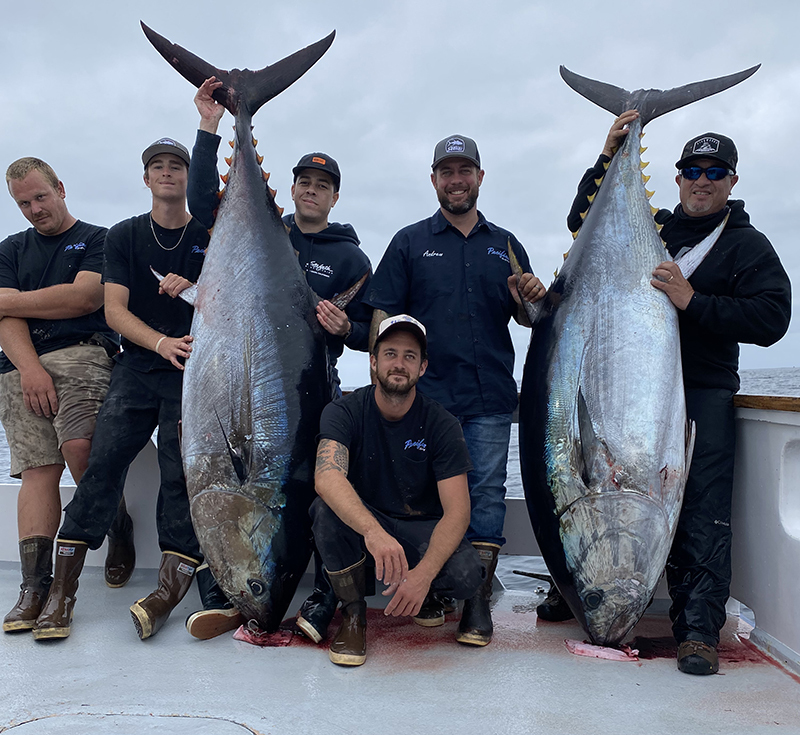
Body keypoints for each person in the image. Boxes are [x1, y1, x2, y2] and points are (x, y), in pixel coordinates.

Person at [561, 112, 791, 675]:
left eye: (715, 171)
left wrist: (694, 302)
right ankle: (582, 590)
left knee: (704, 515)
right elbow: (578, 223)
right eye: (691, 169)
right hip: (631, 398)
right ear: (678, 176)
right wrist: (609, 151)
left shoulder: (746, 245)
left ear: (732, 181)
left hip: (703, 393)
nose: (701, 180)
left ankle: (696, 630)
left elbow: (774, 317)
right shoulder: (654, 225)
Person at [187, 76, 373, 642]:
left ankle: (323, 594)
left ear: (335, 195)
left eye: (324, 185)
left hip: (314, 394)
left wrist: (348, 325)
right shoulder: (260, 226)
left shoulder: (350, 256)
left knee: (321, 491)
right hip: (258, 389)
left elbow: (371, 329)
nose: (313, 191)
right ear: (291, 187)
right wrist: (212, 126)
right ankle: (219, 593)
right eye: (305, 182)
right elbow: (200, 207)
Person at [32, 138, 230, 641]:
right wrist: (161, 342)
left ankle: (168, 591)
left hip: (193, 375)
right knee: (101, 466)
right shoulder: (123, 235)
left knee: (179, 478)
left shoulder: (211, 235)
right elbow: (114, 311)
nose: (167, 173)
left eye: (176, 166)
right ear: (145, 179)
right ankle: (62, 594)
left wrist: (193, 290)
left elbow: (230, 309)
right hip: (138, 368)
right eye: (157, 167)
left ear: (189, 177)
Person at [366, 135, 544, 646]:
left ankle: (476, 600)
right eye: (447, 171)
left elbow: (530, 318)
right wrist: (381, 379)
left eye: (465, 170)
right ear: (434, 180)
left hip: (490, 397)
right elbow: (383, 315)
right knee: (427, 495)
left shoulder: (505, 244)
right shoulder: (408, 241)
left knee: (487, 492)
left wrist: (529, 297)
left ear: (480, 178)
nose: (456, 180)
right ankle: (438, 588)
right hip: (429, 400)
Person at [0, 158, 134, 634]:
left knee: (79, 447)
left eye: (40, 197)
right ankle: (34, 586)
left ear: (60, 188)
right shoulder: (10, 249)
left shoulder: (100, 240)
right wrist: (31, 368)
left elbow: (83, 299)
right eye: (23, 204)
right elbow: (6, 321)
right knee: (38, 470)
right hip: (20, 365)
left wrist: (7, 298)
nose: (35, 209)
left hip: (84, 353)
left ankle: (116, 524)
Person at [312, 314, 484, 666]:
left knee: (466, 574)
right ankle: (353, 614)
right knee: (324, 511)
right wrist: (373, 532)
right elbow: (327, 478)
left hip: (418, 525)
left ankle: (431, 595)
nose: (399, 364)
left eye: (410, 356)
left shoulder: (442, 424)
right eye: (390, 353)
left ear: (422, 367)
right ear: (373, 362)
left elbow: (458, 511)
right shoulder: (343, 412)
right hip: (367, 521)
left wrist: (423, 576)